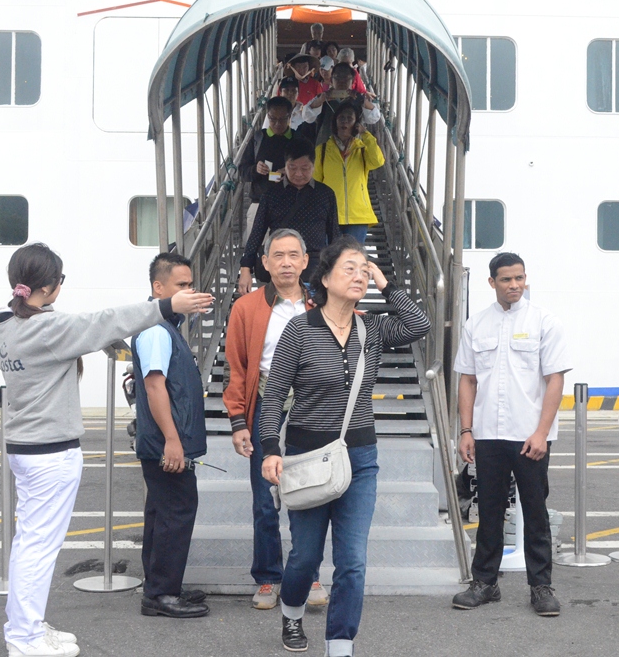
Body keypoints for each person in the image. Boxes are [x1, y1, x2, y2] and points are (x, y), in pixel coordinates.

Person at [0, 243, 210, 657]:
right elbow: (106, 322)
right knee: (38, 548)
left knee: (30, 544)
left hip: (27, 449)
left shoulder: (6, 325)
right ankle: (24, 637)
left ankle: (28, 626)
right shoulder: (45, 329)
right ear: (53, 286)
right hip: (49, 454)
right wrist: (166, 307)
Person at [259, 236, 431, 656]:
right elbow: (275, 392)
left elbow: (418, 324)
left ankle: (340, 643)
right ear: (326, 276)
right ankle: (292, 610)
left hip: (359, 457)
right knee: (305, 557)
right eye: (350, 268)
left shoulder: (371, 328)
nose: (359, 275)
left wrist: (386, 285)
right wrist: (269, 448)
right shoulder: (299, 329)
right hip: (306, 456)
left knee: (352, 560)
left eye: (364, 269)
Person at [451, 252, 572, 617]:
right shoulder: (477, 325)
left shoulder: (543, 322)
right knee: (488, 510)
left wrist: (541, 432)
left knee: (535, 512)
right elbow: (467, 380)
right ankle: (485, 583)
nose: (515, 285)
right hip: (487, 434)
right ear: (492, 283)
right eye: (506, 279)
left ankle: (541, 587)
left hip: (529, 435)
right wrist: (467, 430)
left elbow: (555, 380)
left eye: (519, 278)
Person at [224, 229, 329, 611]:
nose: (285, 262)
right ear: (265, 263)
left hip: (313, 405)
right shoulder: (246, 307)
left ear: (305, 261)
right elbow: (235, 368)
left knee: (311, 494)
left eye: (293, 255)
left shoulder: (322, 304)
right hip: (265, 400)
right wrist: (238, 421)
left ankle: (309, 573)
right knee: (264, 497)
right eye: (277, 255)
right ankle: (268, 577)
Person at [133, 253, 213, 619]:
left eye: (190, 284)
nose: (189, 291)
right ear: (158, 287)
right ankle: (162, 594)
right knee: (176, 512)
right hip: (166, 441)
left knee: (161, 512)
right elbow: (154, 386)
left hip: (163, 440)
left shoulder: (166, 326)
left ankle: (160, 585)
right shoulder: (155, 329)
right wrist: (173, 440)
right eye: (181, 285)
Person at [238, 137, 341, 295]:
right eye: (292, 168)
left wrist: (338, 270)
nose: (298, 174)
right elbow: (257, 233)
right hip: (280, 269)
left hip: (315, 269)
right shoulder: (271, 194)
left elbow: (334, 236)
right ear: (284, 166)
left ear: (314, 167)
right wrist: (245, 270)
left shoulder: (326, 194)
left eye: (305, 168)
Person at [313, 103, 385, 246]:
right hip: (330, 214)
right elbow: (316, 181)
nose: (345, 121)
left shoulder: (363, 149)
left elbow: (378, 161)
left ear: (356, 124)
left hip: (358, 215)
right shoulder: (322, 150)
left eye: (349, 118)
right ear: (335, 122)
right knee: (330, 260)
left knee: (352, 259)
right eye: (341, 118)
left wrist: (365, 134)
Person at [301, 63, 381, 147]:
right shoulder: (323, 98)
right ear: (331, 80)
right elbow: (307, 117)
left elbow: (374, 118)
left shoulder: (358, 99)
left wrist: (362, 100)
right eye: (337, 77)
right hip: (326, 149)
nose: (341, 81)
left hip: (353, 150)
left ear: (353, 80)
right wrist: (320, 100)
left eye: (346, 78)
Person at [239, 96, 296, 203]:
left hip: (290, 203)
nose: (277, 124)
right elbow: (243, 171)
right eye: (273, 119)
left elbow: (310, 171)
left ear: (290, 116)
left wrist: (292, 172)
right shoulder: (258, 138)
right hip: (260, 202)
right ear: (267, 116)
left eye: (282, 119)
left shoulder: (299, 140)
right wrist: (256, 169)